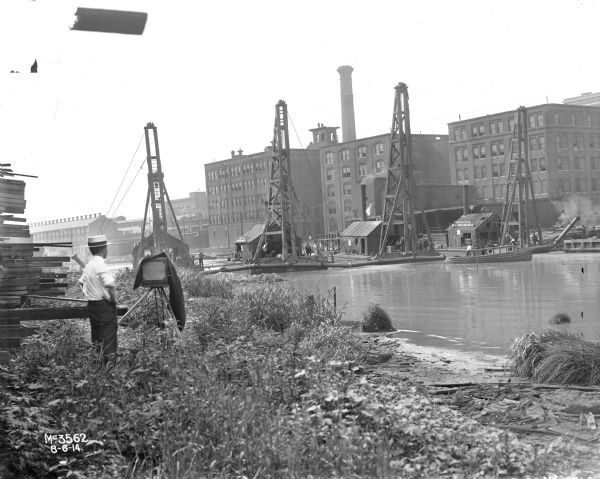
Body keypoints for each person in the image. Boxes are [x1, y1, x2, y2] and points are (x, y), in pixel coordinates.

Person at [78, 235, 118, 365]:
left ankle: (98, 367)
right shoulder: (100, 263)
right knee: (108, 338)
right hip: (104, 307)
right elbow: (110, 284)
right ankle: (109, 369)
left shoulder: (89, 264)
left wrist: (90, 294)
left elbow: (81, 283)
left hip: (93, 306)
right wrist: (112, 299)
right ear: (103, 249)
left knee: (97, 338)